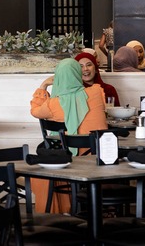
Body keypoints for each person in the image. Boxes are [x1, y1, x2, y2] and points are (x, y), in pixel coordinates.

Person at [29, 58, 108, 214]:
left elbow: (35, 111)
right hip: (101, 155)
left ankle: (62, 208)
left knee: (44, 153)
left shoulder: (53, 105)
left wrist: (43, 86)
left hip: (72, 160)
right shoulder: (97, 91)